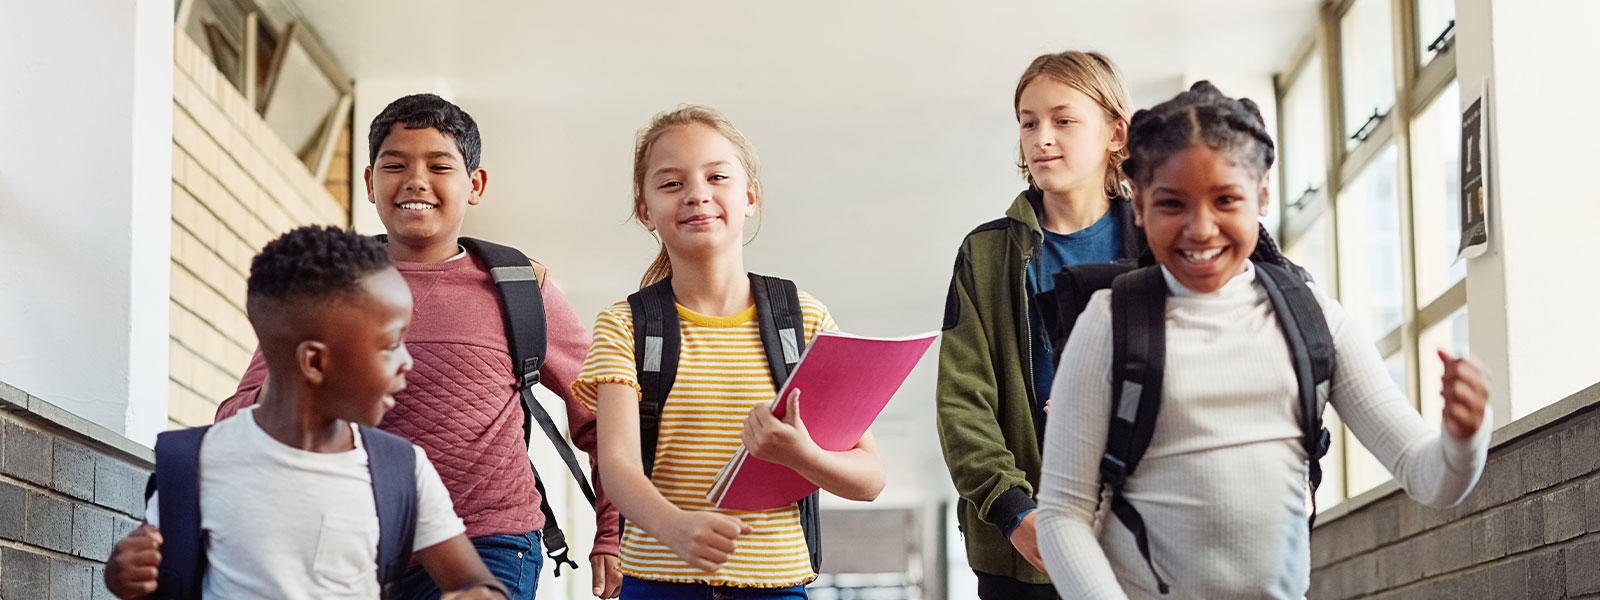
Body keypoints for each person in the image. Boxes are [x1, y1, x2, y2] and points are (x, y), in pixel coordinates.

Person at [1034, 81, 1492, 599]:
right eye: (1172, 205)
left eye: (1226, 199)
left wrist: (1464, 435)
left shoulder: (1310, 317)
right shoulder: (1109, 323)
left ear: (1263, 195)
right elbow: (1061, 515)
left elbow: (1429, 477)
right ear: (1138, 206)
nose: (1201, 228)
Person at [215, 94, 621, 599]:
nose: (415, 180)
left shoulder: (521, 289)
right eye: (395, 164)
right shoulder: (326, 286)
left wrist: (612, 531)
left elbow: (604, 415)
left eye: (439, 165)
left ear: (474, 185)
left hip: (487, 541)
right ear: (369, 182)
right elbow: (241, 410)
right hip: (346, 541)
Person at [576, 105, 885, 598]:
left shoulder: (803, 320)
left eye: (717, 176)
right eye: (671, 183)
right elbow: (618, 467)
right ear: (645, 210)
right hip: (658, 581)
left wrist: (802, 455)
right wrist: (675, 527)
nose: (697, 194)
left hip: (777, 583)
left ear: (750, 196)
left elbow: (869, 479)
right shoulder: (624, 324)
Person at [104, 225, 510, 600]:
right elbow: (149, 561)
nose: (407, 362)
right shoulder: (198, 461)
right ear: (315, 363)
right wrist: (121, 572)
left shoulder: (400, 471)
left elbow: (474, 581)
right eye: (390, 346)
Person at [935, 50, 1146, 599]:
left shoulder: (1158, 246)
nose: (1041, 136)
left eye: (1063, 119)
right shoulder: (985, 254)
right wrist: (1013, 512)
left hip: (1146, 537)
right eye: (1029, 122)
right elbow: (962, 402)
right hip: (1024, 554)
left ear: (1116, 134)